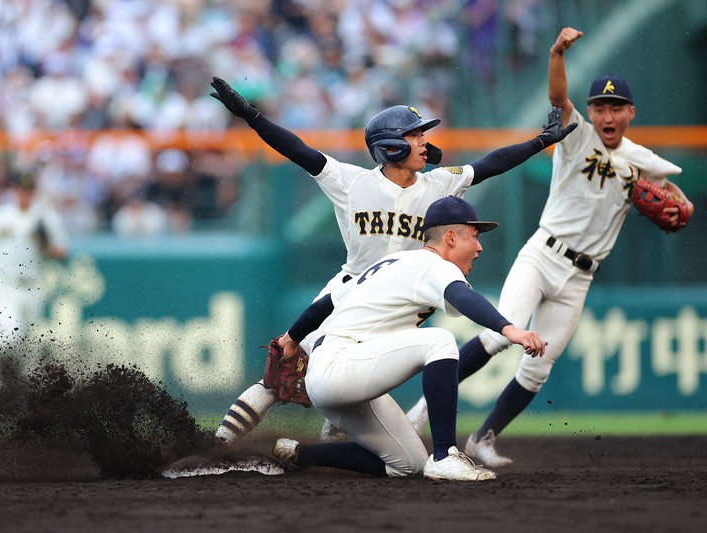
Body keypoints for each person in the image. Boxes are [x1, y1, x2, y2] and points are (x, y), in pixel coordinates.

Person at [209, 76, 577, 445]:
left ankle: (324, 463)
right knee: (278, 377)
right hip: (346, 297)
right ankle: (214, 449)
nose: (424, 142)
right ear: (388, 145)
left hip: (400, 309)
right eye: (414, 135)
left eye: (422, 135)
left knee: (359, 398)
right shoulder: (351, 182)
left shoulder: (438, 184)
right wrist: (252, 116)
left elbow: (491, 164)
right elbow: (297, 150)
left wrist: (540, 141)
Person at [408, 27, 693, 468]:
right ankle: (423, 412)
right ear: (593, 112)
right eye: (600, 106)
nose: (607, 114)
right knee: (503, 331)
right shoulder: (577, 134)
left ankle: (483, 439)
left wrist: (681, 201)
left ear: (630, 111)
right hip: (543, 254)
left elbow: (671, 187)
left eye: (616, 106)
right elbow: (560, 97)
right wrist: (557, 53)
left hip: (580, 275)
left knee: (540, 366)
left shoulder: (641, 159)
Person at [269, 196, 547, 481]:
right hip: (342, 365)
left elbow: (326, 303)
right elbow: (463, 297)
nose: (479, 247)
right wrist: (508, 329)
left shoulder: (394, 261)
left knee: (408, 463)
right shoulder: (432, 264)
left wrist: (291, 339)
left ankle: (301, 454)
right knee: (439, 341)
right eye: (474, 237)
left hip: (337, 376)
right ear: (450, 237)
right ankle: (445, 455)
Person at [0, 165, 69, 383]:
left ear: (35, 190)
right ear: (14, 189)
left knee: (22, 346)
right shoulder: (2, 215)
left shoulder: (46, 217)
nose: (25, 193)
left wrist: (44, 243)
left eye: (29, 189)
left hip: (34, 288)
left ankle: (10, 394)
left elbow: (62, 253)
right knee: (9, 336)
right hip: (3, 287)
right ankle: (8, 393)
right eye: (21, 188)